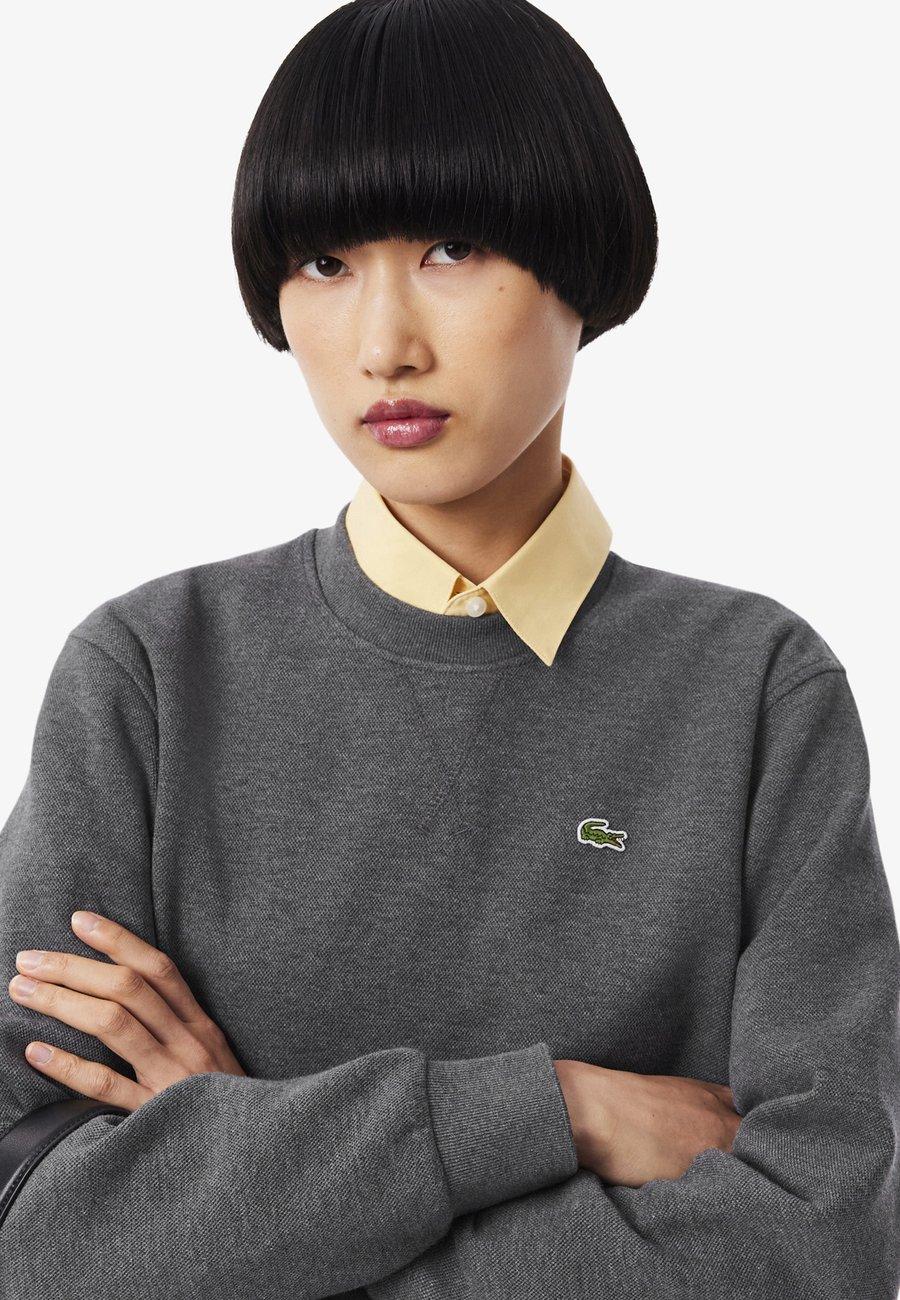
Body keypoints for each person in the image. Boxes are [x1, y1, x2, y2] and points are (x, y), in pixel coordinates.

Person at [1, 0, 898, 1296]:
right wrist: (557, 1108)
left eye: (453, 248)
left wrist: (254, 1187)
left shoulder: (759, 691)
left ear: (582, 263)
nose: (384, 346)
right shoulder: (146, 677)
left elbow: (824, 1248)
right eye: (324, 264)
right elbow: (32, 1234)